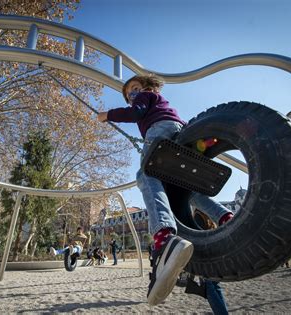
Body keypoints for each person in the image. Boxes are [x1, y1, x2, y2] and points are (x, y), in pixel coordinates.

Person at [97, 74, 233, 305]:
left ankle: (162, 234)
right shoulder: (161, 102)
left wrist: (108, 115)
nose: (133, 94)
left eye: (135, 88)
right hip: (181, 132)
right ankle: (225, 216)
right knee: (188, 187)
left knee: (147, 173)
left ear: (146, 87)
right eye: (129, 93)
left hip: (159, 132)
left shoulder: (145, 97)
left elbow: (136, 112)